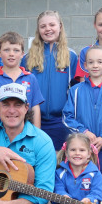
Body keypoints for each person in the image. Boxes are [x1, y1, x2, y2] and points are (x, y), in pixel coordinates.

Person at [62, 46, 102, 193]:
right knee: (80, 182)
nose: (95, 65)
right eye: (91, 62)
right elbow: (67, 117)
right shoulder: (76, 90)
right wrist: (84, 132)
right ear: (85, 66)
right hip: (81, 147)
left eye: (100, 62)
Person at [24, 10, 78, 150]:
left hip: (61, 122)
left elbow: (76, 90)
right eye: (43, 26)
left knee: (59, 162)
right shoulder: (27, 58)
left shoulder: (71, 56)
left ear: (60, 26)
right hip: (33, 121)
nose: (48, 29)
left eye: (52, 25)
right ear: (38, 30)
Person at [0, 31, 44, 127]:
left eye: (16, 50)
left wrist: (37, 133)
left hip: (25, 131)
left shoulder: (30, 78)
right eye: (6, 50)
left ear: (22, 54)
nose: (11, 54)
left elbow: (35, 108)